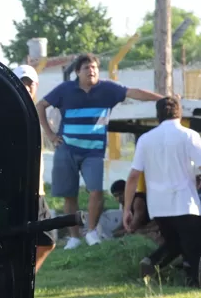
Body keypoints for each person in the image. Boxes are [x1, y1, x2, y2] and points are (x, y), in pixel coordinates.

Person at [37, 53, 163, 250]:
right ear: (77, 72)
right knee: (70, 195)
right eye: (86, 67)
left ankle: (92, 231)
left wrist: (164, 100)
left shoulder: (107, 89)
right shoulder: (65, 89)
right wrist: (51, 135)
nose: (91, 70)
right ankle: (74, 237)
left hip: (94, 152)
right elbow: (41, 105)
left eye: (94, 67)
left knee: (96, 191)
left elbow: (134, 92)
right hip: (67, 149)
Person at [124, 96, 201, 286]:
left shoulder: (145, 139)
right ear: (180, 113)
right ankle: (193, 282)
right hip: (185, 202)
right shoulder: (189, 136)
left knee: (174, 243)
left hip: (158, 206)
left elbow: (133, 176)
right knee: (193, 246)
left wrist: (127, 208)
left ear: (157, 115)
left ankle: (150, 262)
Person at [14, 64, 55, 298]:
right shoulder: (12, 112)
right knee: (24, 246)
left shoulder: (33, 114)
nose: (26, 87)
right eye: (22, 82)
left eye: (30, 83)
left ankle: (20, 294)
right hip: (21, 193)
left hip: (37, 191)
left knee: (46, 242)